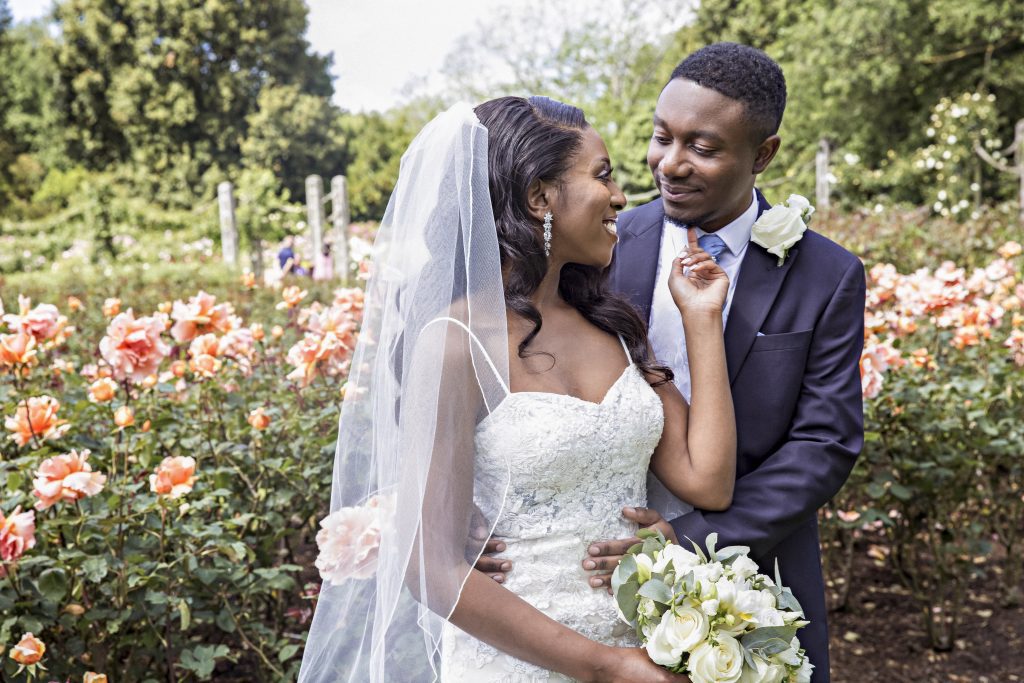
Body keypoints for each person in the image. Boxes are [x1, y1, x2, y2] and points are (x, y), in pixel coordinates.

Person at [298, 97, 738, 682]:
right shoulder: (456, 341)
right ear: (539, 197)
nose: (620, 197)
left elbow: (707, 480)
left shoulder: (613, 326)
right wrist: (606, 668)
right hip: (521, 658)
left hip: (645, 644)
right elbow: (429, 563)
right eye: (602, 175)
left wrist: (703, 320)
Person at [480, 43, 866, 683]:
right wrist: (451, 529)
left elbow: (824, 442)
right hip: (565, 583)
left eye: (704, 148)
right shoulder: (596, 243)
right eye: (662, 138)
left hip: (742, 570)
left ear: (762, 155)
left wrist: (688, 540)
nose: (670, 164)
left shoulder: (827, 274)